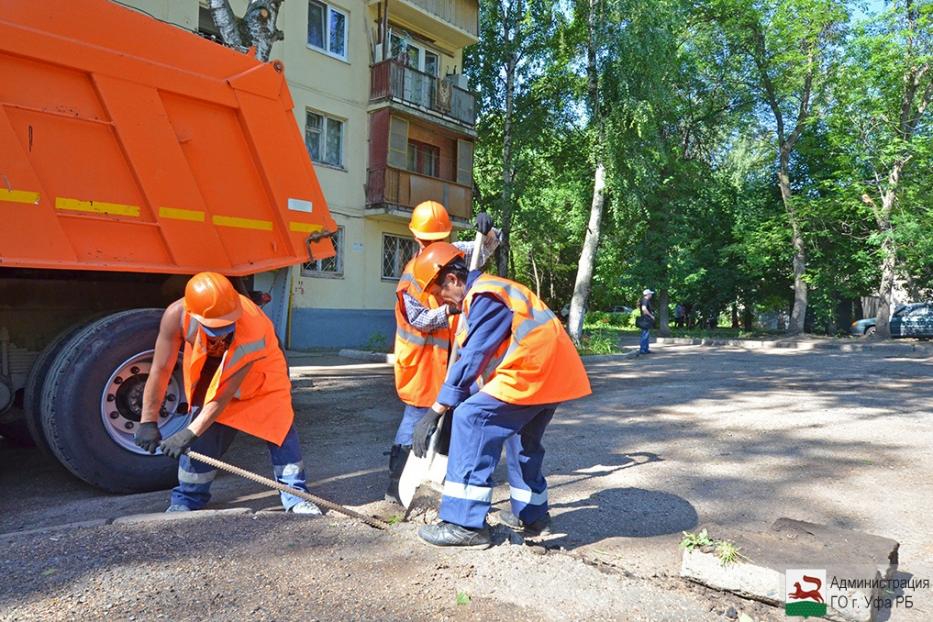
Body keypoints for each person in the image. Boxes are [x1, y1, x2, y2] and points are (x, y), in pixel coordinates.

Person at [408, 243, 592, 547]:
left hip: (532, 372)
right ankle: (531, 514)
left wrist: (436, 409)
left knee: (471, 419)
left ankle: (464, 524)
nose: (441, 300)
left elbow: (472, 357)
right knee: (521, 437)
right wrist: (457, 396)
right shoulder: (497, 291)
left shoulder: (486, 297)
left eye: (440, 292)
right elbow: (481, 361)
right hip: (552, 374)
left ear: (453, 280)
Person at [134, 272, 321, 514]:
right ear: (193, 312)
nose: (222, 331)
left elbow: (224, 394)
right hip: (217, 375)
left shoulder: (253, 325)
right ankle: (187, 500)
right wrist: (147, 421)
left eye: (226, 324)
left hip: (263, 378)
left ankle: (296, 497)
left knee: (280, 431)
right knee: (204, 438)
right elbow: (160, 370)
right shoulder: (176, 314)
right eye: (214, 326)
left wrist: (188, 433)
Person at [385, 200, 499, 504]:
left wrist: (488, 231)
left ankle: (441, 477)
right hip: (421, 365)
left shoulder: (453, 254)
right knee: (415, 421)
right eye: (431, 241)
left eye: (440, 240)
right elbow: (419, 320)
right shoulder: (412, 276)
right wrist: (453, 307)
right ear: (418, 239)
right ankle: (397, 486)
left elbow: (485, 248)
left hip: (451, 359)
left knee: (452, 416)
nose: (436, 246)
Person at [637, 289, 655, 354]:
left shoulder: (645, 300)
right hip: (645, 319)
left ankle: (646, 349)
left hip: (646, 319)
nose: (651, 295)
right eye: (650, 294)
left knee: (646, 334)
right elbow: (644, 309)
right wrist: (651, 316)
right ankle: (643, 349)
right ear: (648, 294)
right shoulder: (645, 300)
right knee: (645, 334)